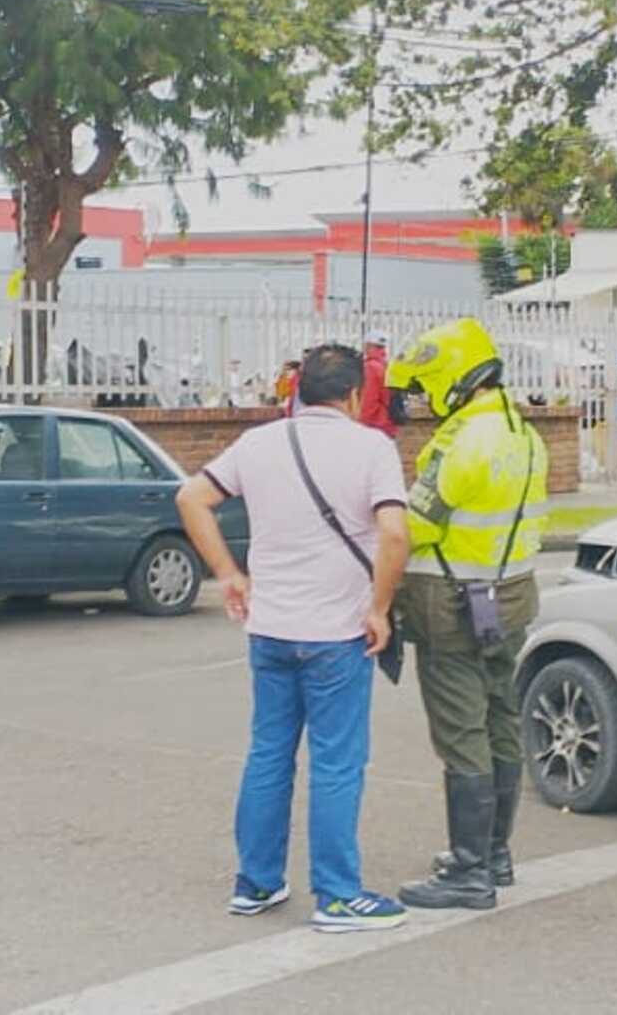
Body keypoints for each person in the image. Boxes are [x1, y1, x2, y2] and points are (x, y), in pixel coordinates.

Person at [177, 343, 414, 934]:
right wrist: (380, 608)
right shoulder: (372, 448)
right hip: (337, 634)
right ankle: (336, 894)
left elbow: (191, 497)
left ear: (299, 389)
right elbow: (394, 536)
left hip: (271, 630)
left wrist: (229, 575)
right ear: (358, 396)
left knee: (269, 753)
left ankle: (256, 881)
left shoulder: (259, 443)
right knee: (336, 763)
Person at [385, 318, 550, 912]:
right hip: (510, 597)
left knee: (462, 733)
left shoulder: (462, 441)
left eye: (429, 386)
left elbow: (418, 523)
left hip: (452, 605)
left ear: (454, 376)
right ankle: (497, 854)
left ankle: (470, 870)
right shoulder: (524, 434)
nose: (427, 399)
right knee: (502, 717)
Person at [359, 331, 401, 439]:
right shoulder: (387, 366)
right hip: (389, 423)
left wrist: (361, 425)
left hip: (374, 426)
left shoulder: (370, 368)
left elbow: (369, 401)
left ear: (367, 346)